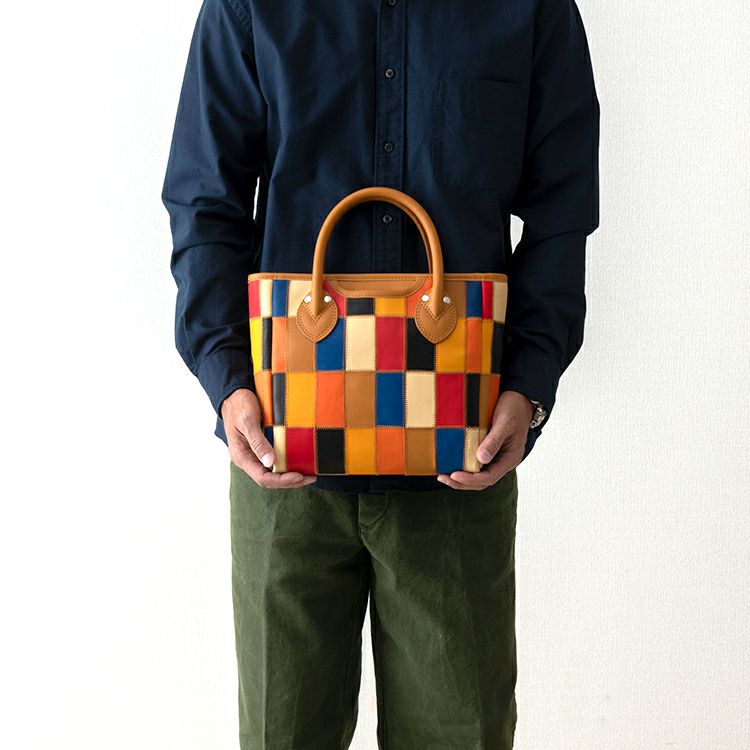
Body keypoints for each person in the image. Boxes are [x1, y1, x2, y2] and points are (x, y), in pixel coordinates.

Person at [162, 0, 599, 747]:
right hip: (285, 456)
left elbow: (563, 211)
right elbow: (205, 201)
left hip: (459, 461)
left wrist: (529, 387)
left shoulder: (531, 9)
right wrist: (228, 379)